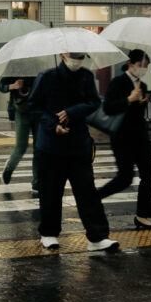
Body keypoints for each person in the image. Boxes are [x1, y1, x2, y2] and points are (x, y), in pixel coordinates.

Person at [28, 52, 119, 252]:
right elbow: (33, 106)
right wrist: (53, 125)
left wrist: (72, 111)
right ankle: (49, 233)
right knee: (51, 191)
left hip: (78, 144)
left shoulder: (86, 76)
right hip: (51, 145)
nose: (77, 60)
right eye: (74, 55)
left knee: (87, 192)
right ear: (62, 55)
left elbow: (94, 102)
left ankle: (97, 237)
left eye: (81, 56)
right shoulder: (46, 77)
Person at [96, 49, 151, 229]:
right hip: (122, 137)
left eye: (146, 67)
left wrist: (142, 101)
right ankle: (95, 197)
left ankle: (142, 215)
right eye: (141, 66)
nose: (143, 70)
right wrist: (129, 100)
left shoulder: (142, 86)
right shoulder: (118, 82)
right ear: (130, 64)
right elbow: (108, 108)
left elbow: (138, 115)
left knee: (149, 173)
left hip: (141, 137)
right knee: (125, 178)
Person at [0, 73, 38, 193]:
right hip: (21, 110)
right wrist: (13, 86)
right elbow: (1, 86)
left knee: (39, 146)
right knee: (21, 145)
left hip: (39, 110)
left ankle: (36, 182)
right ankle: (9, 168)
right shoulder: (15, 68)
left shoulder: (41, 67)